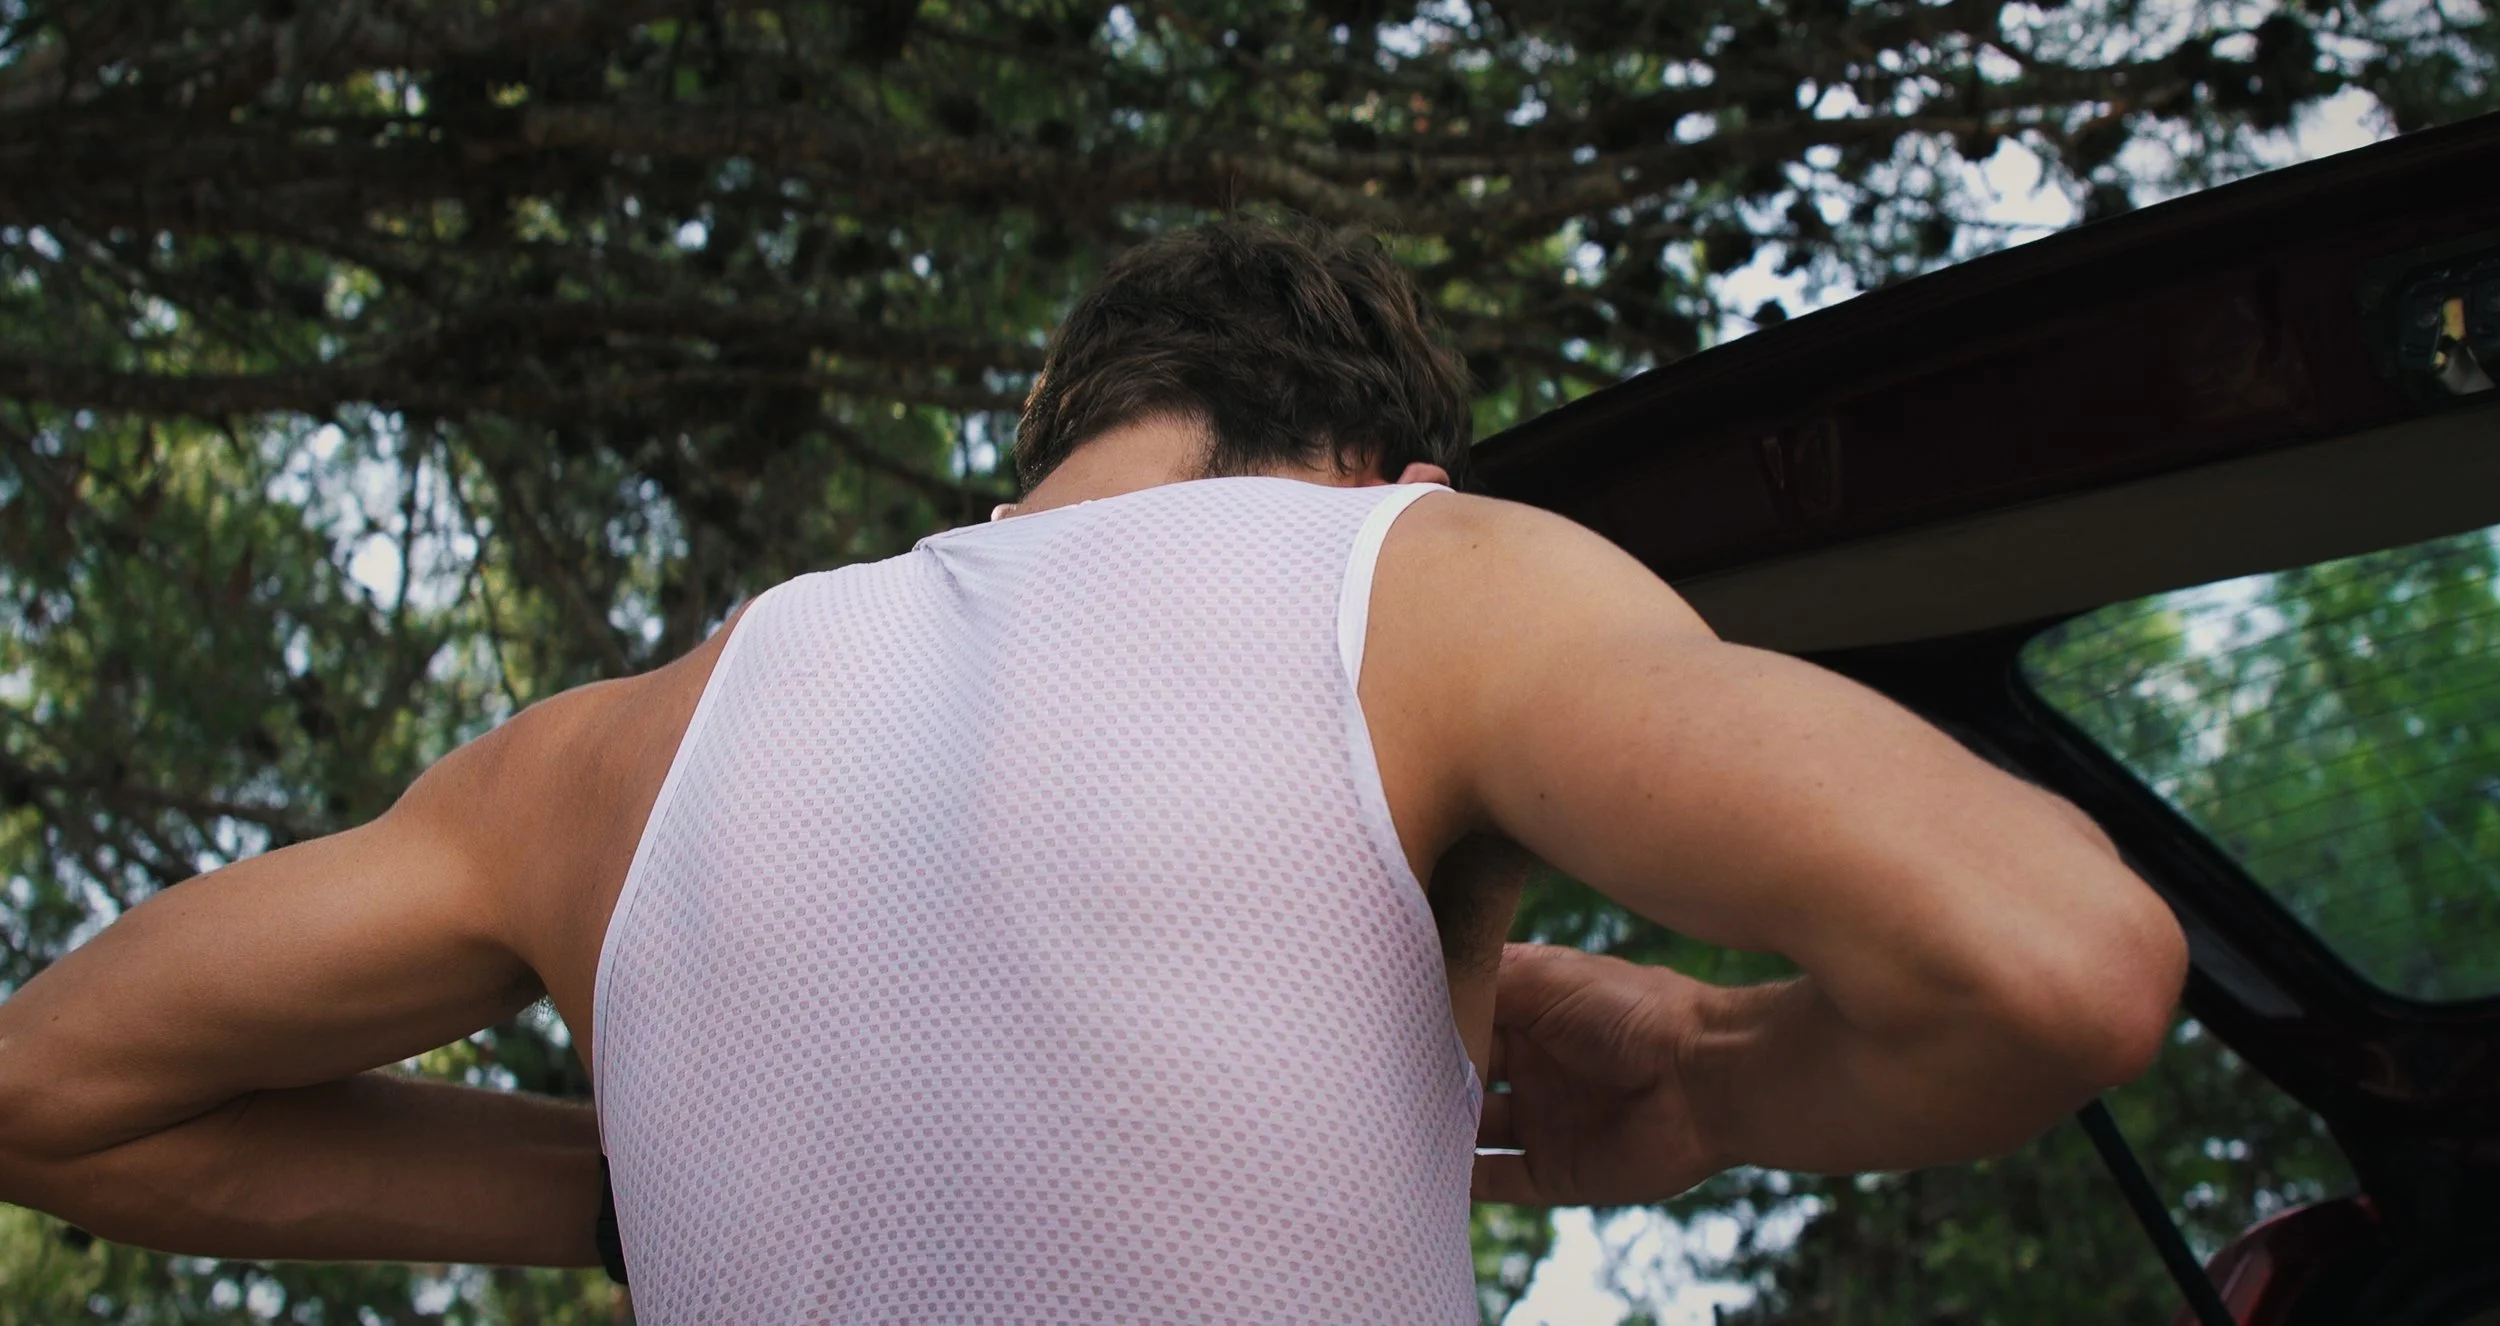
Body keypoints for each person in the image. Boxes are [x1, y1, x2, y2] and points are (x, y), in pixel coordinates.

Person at [0, 220, 2186, 1321]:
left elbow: (49, 1094)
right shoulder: (1418, 583)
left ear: (1045, 442)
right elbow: (2047, 957)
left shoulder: (593, 762)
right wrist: (1702, 1075)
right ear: (1388, 467)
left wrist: (647, 1183)